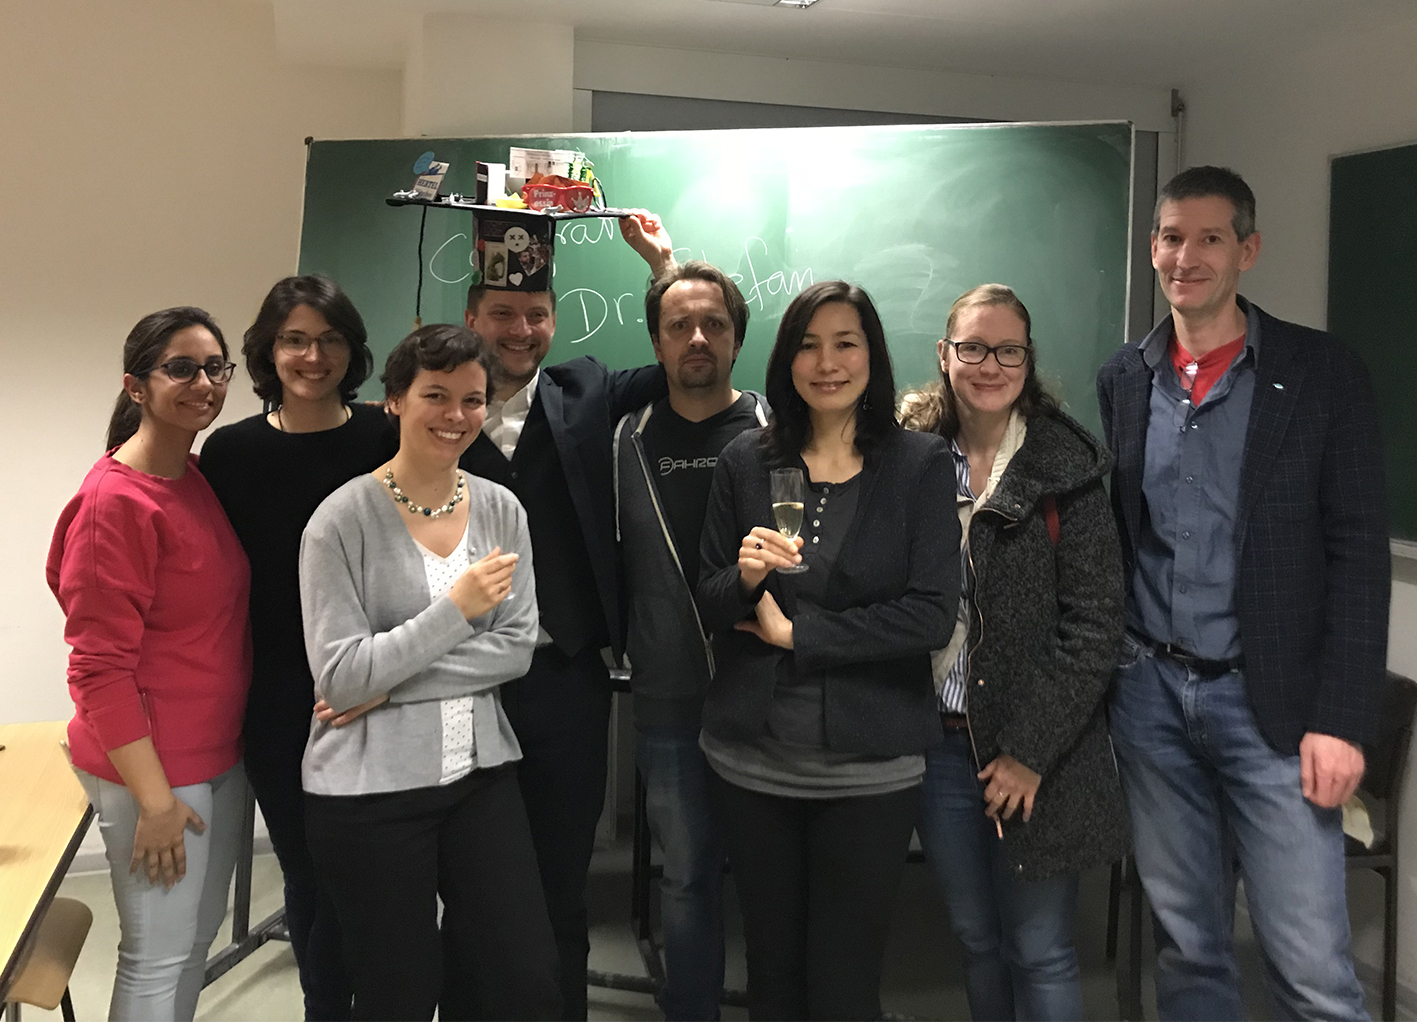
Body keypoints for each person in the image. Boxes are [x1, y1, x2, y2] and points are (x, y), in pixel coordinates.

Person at [1096, 165, 1390, 1020]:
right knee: (1187, 947)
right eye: (1170, 237)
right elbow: (1123, 532)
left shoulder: (1321, 371)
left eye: (1209, 238)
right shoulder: (1126, 377)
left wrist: (1341, 719)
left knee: (1309, 970)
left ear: (1247, 250)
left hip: (1275, 707)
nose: (1184, 257)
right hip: (1151, 696)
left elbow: (1358, 552)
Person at [696, 280, 959, 1020]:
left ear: (872, 356)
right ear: (787, 360)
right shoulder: (746, 460)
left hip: (870, 769)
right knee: (772, 974)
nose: (827, 362)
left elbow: (930, 616)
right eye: (808, 345)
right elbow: (708, 599)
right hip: (753, 760)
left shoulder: (918, 464)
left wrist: (799, 635)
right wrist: (746, 578)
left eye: (845, 343)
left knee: (845, 984)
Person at [298, 324, 559, 1022]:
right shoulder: (339, 522)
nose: (456, 415)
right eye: (435, 395)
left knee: (524, 977)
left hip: (479, 777)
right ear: (394, 400)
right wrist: (455, 610)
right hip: (369, 792)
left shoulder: (501, 509)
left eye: (473, 400)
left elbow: (516, 648)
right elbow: (340, 678)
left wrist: (385, 685)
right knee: (400, 993)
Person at [456, 212, 674, 1019]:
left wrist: (661, 268)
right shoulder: (436, 409)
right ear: (471, 317)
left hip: (564, 682)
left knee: (559, 883)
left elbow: (678, 363)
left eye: (536, 314)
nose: (521, 330)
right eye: (502, 314)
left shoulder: (584, 392)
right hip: (458, 683)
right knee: (468, 884)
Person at [900, 283, 1129, 1021]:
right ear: (944, 355)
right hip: (939, 746)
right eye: (972, 348)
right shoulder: (908, 460)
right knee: (975, 938)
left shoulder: (1067, 467)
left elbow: (1095, 624)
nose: (989, 366)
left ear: (1028, 362)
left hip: (1040, 751)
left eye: (1007, 351)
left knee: (1040, 946)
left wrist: (1028, 752)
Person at [47, 307, 250, 1022]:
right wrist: (156, 802)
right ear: (136, 386)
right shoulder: (115, 502)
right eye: (181, 368)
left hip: (216, 752)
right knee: (156, 959)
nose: (205, 383)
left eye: (215, 368)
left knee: (191, 945)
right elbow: (97, 669)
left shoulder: (188, 475)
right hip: (156, 770)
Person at [201, 274, 393, 1021]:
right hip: (280, 700)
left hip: (376, 690)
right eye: (295, 340)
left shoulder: (385, 436)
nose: (314, 356)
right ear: (268, 351)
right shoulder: (230, 453)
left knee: (372, 878)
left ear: (353, 349)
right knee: (310, 876)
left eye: (330, 339)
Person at [613, 261, 767, 1020]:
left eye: (714, 324)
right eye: (679, 326)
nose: (697, 337)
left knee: (774, 881)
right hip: (670, 696)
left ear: (737, 338)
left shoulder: (780, 432)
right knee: (687, 877)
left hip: (770, 694)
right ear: (657, 344)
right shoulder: (624, 440)